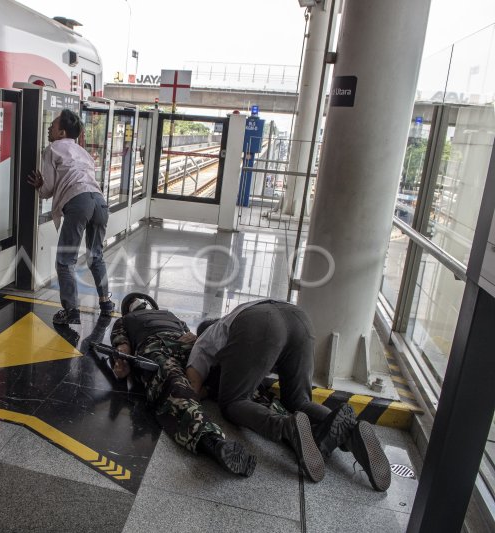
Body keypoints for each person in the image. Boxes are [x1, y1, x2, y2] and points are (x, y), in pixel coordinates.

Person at [187, 299, 391, 491]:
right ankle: (352, 432)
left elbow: (192, 389)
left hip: (260, 324)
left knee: (233, 401)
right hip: (299, 319)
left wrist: (207, 390)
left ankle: (286, 427)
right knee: (298, 401)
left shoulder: (203, 341)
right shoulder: (231, 319)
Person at [108, 292, 256, 477]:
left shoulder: (169, 315)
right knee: (174, 385)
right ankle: (212, 441)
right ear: (128, 309)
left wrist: (197, 340)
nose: (139, 303)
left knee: (224, 369)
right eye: (133, 302)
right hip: (154, 347)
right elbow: (122, 346)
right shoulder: (124, 321)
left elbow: (192, 335)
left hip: (183, 345)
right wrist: (122, 362)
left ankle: (272, 412)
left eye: (141, 301)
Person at [27, 109, 113, 325]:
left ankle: (71, 311)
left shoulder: (52, 149)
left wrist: (39, 186)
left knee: (65, 260)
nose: (49, 128)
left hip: (78, 200)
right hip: (100, 202)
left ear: (61, 132)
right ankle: (106, 303)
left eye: (53, 126)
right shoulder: (82, 151)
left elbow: (47, 190)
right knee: (96, 255)